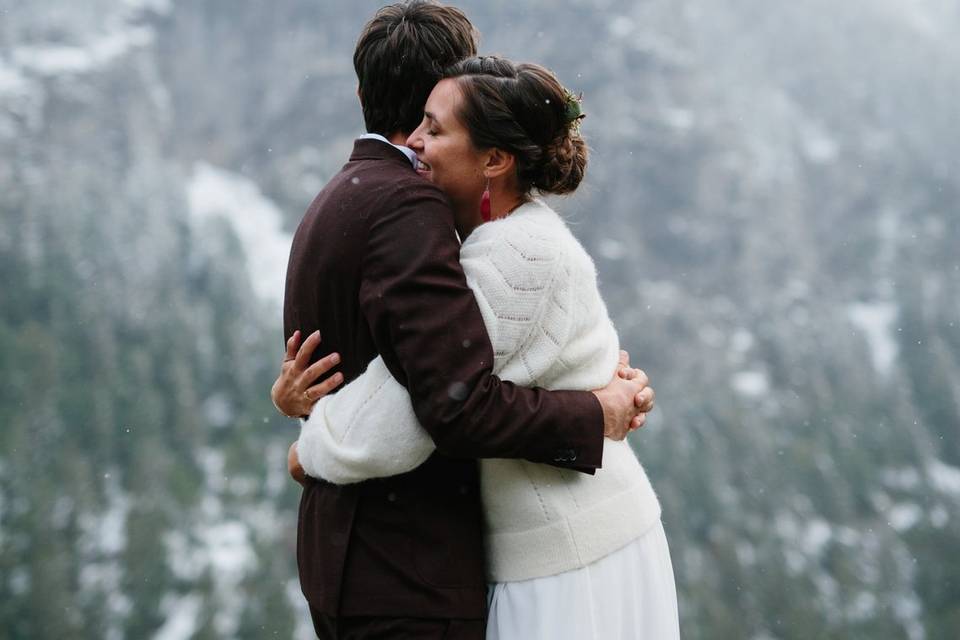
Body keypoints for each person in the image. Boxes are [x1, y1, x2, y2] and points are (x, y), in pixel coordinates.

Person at [275, 3, 654, 638]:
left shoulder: (340, 195)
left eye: (439, 124)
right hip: (406, 566)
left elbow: (433, 365)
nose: (423, 139)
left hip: (357, 555)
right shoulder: (410, 205)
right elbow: (453, 403)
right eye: (427, 118)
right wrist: (599, 412)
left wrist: (307, 431)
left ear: (362, 92)